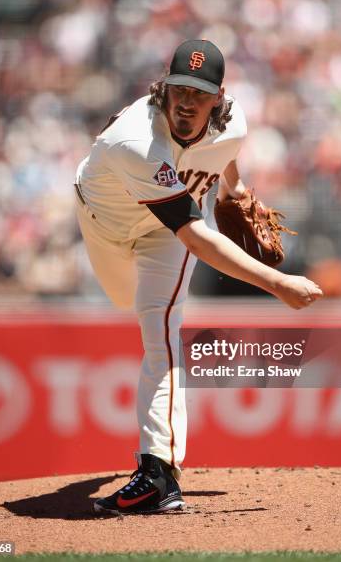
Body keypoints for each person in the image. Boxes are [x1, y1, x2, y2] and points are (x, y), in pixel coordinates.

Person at [74, 40, 323, 515]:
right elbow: (197, 237)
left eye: (201, 93)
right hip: (104, 225)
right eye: (180, 89)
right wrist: (278, 284)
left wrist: (238, 188)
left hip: (163, 235)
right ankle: (158, 472)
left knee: (161, 335)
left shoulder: (235, 121)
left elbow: (222, 148)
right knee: (124, 300)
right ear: (163, 88)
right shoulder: (134, 141)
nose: (188, 102)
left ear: (219, 97)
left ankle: (157, 475)